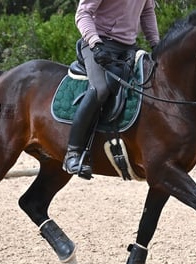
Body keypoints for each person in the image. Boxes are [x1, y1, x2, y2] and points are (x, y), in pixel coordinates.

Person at [62, 0, 160, 179]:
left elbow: (147, 13)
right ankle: (73, 153)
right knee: (100, 89)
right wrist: (95, 43)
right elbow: (82, 14)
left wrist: (156, 45)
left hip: (128, 48)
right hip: (97, 45)